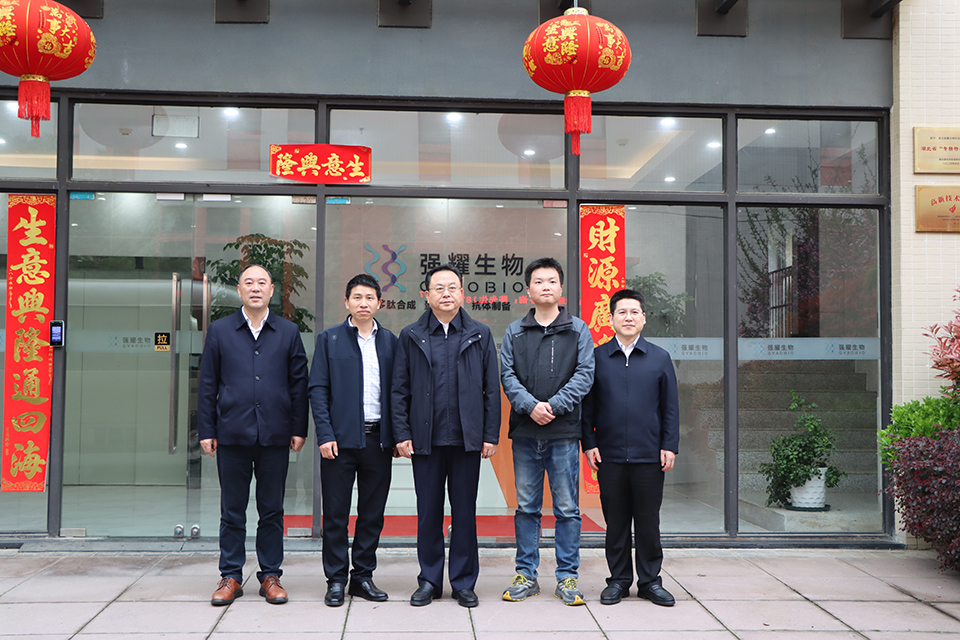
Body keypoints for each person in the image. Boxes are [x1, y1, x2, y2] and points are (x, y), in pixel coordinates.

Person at [198, 264, 309, 606]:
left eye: (262, 282)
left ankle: (270, 575)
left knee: (272, 510)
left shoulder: (288, 332)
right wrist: (206, 429)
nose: (256, 288)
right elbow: (207, 383)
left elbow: (299, 384)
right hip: (231, 432)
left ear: (272, 290)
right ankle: (231, 575)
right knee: (232, 510)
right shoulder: (220, 330)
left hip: (275, 434)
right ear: (239, 290)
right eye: (249, 282)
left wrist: (299, 428)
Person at [391, 263, 500, 608]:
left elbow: (491, 389)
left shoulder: (480, 334)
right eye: (439, 288)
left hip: (467, 440)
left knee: (465, 512)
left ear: (462, 293)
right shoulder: (411, 335)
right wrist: (402, 433)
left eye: (452, 287)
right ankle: (429, 580)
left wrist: (490, 435)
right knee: (428, 513)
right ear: (427, 295)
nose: (446, 294)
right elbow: (399, 390)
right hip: (426, 440)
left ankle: (464, 582)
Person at [499, 257, 595, 606]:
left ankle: (567, 578)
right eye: (538, 281)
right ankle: (526, 575)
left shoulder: (578, 330)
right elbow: (507, 375)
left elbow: (585, 374)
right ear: (528, 290)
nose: (545, 286)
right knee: (526, 507)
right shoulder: (514, 331)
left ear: (561, 288)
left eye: (551, 281)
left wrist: (553, 406)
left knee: (567, 508)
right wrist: (530, 406)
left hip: (563, 434)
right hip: (526, 433)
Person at [582, 288, 679, 607]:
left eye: (634, 312)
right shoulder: (597, 357)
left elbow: (670, 407)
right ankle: (619, 581)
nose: (628, 317)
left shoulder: (659, 358)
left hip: (650, 456)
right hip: (609, 456)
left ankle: (650, 582)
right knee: (616, 523)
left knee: (649, 523)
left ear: (644, 318)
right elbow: (587, 407)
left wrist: (669, 445)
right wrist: (589, 443)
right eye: (622, 312)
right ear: (610, 319)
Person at [309, 274, 398, 607]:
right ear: (346, 302)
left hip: (378, 441)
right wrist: (325, 434)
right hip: (339, 443)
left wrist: (397, 436)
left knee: (372, 514)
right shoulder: (330, 339)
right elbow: (318, 389)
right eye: (357, 297)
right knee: (335, 515)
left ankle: (362, 576)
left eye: (370, 297)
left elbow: (399, 392)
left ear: (379, 303)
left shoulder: (390, 342)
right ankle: (336, 579)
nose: (363, 303)